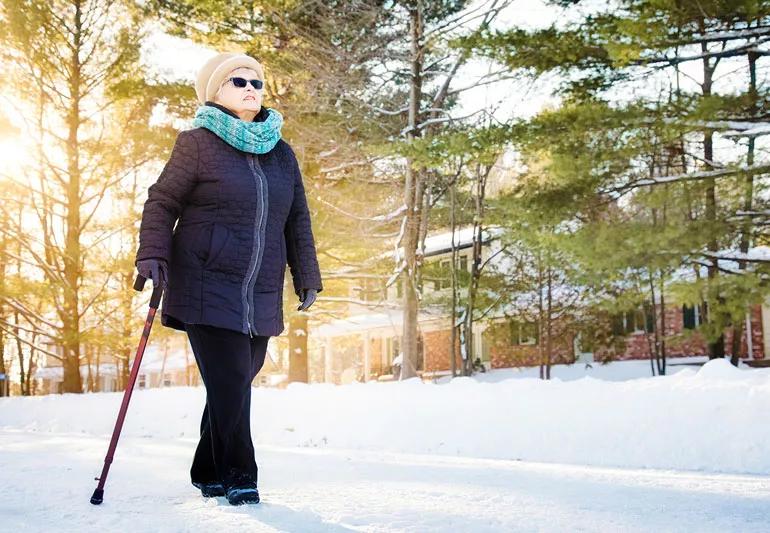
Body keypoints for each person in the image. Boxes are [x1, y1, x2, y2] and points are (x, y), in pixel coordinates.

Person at [134, 52, 323, 505]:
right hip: (204, 280)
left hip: (258, 290)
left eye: (257, 81)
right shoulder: (197, 143)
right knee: (233, 375)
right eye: (238, 81)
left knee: (235, 381)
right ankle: (241, 473)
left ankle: (206, 468)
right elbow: (162, 202)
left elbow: (297, 218)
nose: (251, 88)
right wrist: (153, 254)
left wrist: (306, 274)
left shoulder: (281, 153)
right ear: (214, 92)